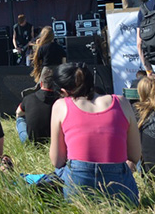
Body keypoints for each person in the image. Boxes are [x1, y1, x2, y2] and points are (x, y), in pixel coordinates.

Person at [49, 63, 141, 204]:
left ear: (64, 91)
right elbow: (134, 155)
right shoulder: (122, 102)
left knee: (57, 173)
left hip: (78, 185)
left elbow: (57, 160)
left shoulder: (61, 105)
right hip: (121, 187)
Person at [15, 67, 57, 144]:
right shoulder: (61, 101)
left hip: (31, 141)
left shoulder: (28, 98)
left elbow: (18, 113)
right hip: (54, 141)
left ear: (41, 83)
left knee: (20, 119)